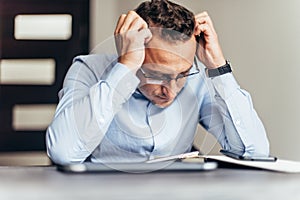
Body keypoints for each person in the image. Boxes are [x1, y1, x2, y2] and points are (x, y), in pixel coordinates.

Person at [46, 0, 270, 164]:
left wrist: (218, 67)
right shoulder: (89, 70)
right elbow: (63, 153)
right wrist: (126, 67)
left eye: (182, 75)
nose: (170, 91)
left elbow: (255, 152)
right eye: (157, 75)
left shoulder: (198, 78)